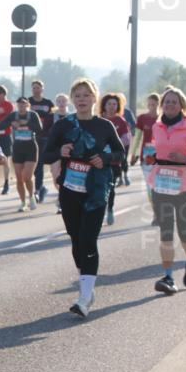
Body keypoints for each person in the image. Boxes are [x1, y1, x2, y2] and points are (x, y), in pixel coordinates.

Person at [42, 78, 125, 318]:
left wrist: (105, 159)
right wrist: (60, 152)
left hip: (96, 192)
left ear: (94, 98)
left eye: (86, 95)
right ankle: (87, 285)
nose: (81, 100)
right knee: (76, 240)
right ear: (72, 99)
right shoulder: (63, 126)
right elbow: (45, 155)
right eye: (77, 95)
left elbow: (120, 153)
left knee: (89, 239)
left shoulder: (105, 126)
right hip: (70, 191)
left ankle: (84, 297)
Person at [146, 86, 186, 295]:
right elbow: (155, 151)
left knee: (183, 231)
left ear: (181, 106)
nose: (169, 105)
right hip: (161, 185)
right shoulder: (157, 127)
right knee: (165, 231)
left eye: (174, 102)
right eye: (166, 102)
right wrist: (151, 158)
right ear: (162, 105)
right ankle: (168, 277)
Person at [0, 97, 44, 211]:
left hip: (31, 148)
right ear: (17, 105)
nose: (21, 106)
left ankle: (31, 197)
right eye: (19, 104)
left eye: (24, 104)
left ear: (28, 105)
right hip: (17, 149)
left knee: (27, 176)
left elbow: (40, 129)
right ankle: (22, 202)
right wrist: (11, 123)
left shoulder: (33, 115)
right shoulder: (13, 115)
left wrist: (27, 124)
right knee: (19, 178)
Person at [99, 93, 131, 225]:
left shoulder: (120, 121)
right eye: (109, 104)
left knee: (110, 188)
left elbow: (127, 138)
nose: (112, 107)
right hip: (99, 160)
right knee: (99, 187)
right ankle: (99, 211)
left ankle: (110, 209)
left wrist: (114, 144)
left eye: (114, 104)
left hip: (114, 160)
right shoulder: (98, 120)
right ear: (104, 106)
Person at [130, 93, 161, 227]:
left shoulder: (164, 118)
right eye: (149, 104)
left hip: (162, 157)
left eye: (153, 104)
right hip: (147, 157)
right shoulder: (142, 118)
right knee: (150, 187)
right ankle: (156, 214)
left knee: (161, 186)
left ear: (158, 105)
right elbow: (137, 137)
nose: (151, 107)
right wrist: (134, 154)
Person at [28, 80, 55, 203]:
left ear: (42, 89)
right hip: (29, 137)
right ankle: (37, 189)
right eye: (34, 87)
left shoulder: (48, 103)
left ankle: (38, 189)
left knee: (39, 165)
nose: (36, 90)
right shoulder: (28, 102)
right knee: (30, 165)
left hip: (44, 136)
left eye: (38, 87)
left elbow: (52, 118)